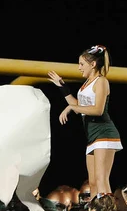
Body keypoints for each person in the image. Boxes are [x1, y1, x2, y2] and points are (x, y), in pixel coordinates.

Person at [48, 45, 121, 197]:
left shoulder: (101, 81)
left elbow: (98, 110)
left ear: (93, 64)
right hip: (92, 136)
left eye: (82, 64)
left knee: (102, 180)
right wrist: (62, 86)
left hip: (104, 133)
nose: (79, 68)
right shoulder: (86, 84)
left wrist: (70, 108)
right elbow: (78, 106)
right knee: (93, 182)